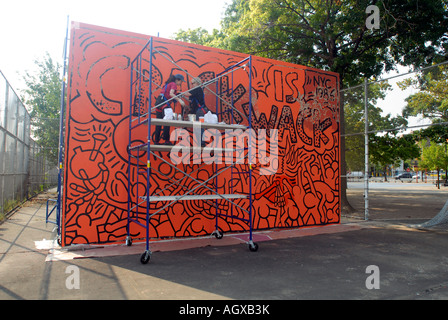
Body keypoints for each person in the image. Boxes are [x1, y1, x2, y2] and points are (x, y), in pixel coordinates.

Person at [153, 74, 186, 145]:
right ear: (177, 80)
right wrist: (180, 100)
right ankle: (166, 141)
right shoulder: (173, 84)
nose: (181, 83)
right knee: (167, 121)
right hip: (164, 103)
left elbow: (168, 93)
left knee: (159, 123)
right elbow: (171, 94)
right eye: (181, 82)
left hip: (159, 102)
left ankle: (156, 141)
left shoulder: (167, 84)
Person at [184, 77, 209, 147]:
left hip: (200, 110)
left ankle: (201, 142)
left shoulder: (197, 88)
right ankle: (200, 142)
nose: (192, 85)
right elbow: (190, 99)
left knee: (199, 126)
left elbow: (188, 94)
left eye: (193, 83)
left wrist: (180, 93)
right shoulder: (197, 90)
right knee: (198, 126)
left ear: (197, 83)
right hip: (199, 110)